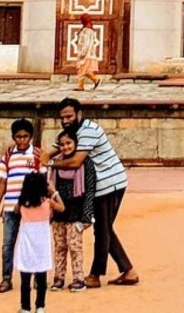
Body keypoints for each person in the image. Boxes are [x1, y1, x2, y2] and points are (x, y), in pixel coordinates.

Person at [52, 98, 135, 289]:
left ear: (80, 114)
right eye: (63, 117)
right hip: (101, 184)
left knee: (102, 229)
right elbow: (54, 149)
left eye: (69, 116)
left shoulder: (89, 130)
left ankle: (96, 275)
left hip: (109, 183)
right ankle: (128, 270)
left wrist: (49, 163)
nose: (66, 120)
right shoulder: (72, 133)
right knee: (105, 228)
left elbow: (75, 162)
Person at [0, 118, 43, 295]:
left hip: (31, 207)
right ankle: (6, 278)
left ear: (31, 137)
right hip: (10, 206)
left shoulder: (37, 155)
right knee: (8, 244)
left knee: (34, 242)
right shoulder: (8, 155)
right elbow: (2, 182)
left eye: (25, 136)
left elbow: (42, 182)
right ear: (13, 137)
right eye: (18, 137)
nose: (22, 140)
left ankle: (38, 276)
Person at [50, 128, 96, 292]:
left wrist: (87, 214)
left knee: (75, 246)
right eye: (62, 144)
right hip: (58, 209)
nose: (65, 147)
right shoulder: (56, 163)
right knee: (59, 246)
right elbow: (50, 187)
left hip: (77, 208)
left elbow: (90, 189)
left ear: (76, 144)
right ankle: (59, 278)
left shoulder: (85, 163)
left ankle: (78, 278)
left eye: (68, 143)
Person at [14, 171, 63, 313]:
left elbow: (15, 210)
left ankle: (25, 307)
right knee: (41, 277)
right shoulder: (47, 203)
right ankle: (40, 306)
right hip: (42, 244)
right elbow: (62, 207)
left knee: (25, 278)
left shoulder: (23, 204)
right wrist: (54, 192)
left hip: (26, 244)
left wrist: (23, 197)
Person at [70, 15, 101, 92]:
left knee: (81, 70)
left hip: (86, 54)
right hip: (90, 54)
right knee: (85, 70)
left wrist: (82, 54)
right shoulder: (90, 31)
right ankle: (95, 80)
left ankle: (85, 84)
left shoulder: (86, 31)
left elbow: (85, 44)